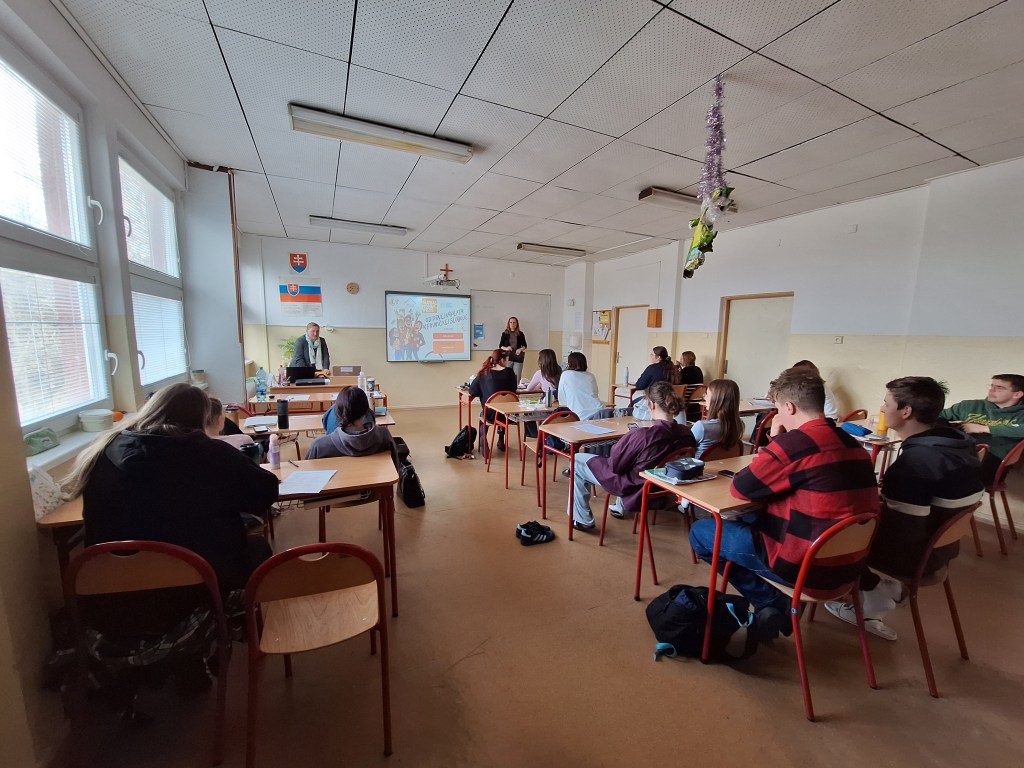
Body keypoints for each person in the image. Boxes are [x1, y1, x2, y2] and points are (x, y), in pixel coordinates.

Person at [688, 367, 879, 638]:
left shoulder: (794, 445)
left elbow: (741, 488)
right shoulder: (853, 444)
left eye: (777, 407)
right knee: (748, 518)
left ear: (788, 407)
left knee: (702, 533)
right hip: (851, 567)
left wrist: (777, 439)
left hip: (806, 569)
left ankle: (772, 602)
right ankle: (773, 605)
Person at [64, 383, 279, 590]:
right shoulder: (211, 453)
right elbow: (264, 493)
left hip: (109, 586)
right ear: (201, 418)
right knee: (257, 548)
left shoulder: (105, 451)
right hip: (198, 580)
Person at [825, 377, 985, 640]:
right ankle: (880, 592)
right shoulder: (960, 444)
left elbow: (901, 532)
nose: (882, 408)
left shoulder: (917, 463)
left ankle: (875, 593)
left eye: (886, 403)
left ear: (906, 411)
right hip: (942, 551)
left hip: (916, 557)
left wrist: (860, 509)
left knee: (827, 534)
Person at [570, 382, 696, 531]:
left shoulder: (642, 436)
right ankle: (619, 507)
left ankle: (583, 519)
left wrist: (622, 443)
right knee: (635, 463)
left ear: (652, 405)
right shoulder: (687, 433)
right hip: (663, 488)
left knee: (577, 460)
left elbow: (615, 466)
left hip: (634, 486)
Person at [939, 373, 1024, 485]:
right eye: (992, 386)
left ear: (1017, 394)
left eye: (999, 388)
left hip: (993, 460)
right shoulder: (968, 406)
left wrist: (985, 428)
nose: (992, 390)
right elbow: (938, 416)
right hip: (960, 453)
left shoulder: (1021, 414)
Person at [308, 386, 399, 468]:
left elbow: (307, 475)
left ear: (337, 412)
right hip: (376, 481)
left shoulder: (319, 446)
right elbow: (395, 468)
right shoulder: (384, 436)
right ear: (366, 412)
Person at [469, 349, 518, 453]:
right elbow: (514, 389)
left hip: (491, 415)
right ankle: (501, 440)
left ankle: (483, 437)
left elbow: (472, 391)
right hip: (509, 415)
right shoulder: (510, 372)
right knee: (503, 408)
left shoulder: (484, 373)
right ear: (502, 360)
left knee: (484, 414)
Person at [688, 378, 744, 459]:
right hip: (726, 465)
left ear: (717, 400)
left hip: (701, 466)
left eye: (707, 394)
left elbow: (686, 450)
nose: (705, 398)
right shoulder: (738, 424)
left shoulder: (702, 427)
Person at [557, 351, 609, 421]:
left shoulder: (565, 375)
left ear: (569, 364)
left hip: (580, 416)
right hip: (600, 412)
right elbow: (595, 393)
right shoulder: (591, 376)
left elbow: (562, 400)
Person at [499, 316, 528, 382]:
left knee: (517, 376)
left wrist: (520, 349)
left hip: (518, 356)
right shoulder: (505, 334)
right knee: (507, 375)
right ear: (508, 324)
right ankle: (507, 388)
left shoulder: (520, 334)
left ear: (517, 324)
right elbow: (500, 346)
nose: (512, 324)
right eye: (511, 322)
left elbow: (525, 345)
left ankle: (516, 388)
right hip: (507, 356)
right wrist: (506, 348)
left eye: (514, 322)